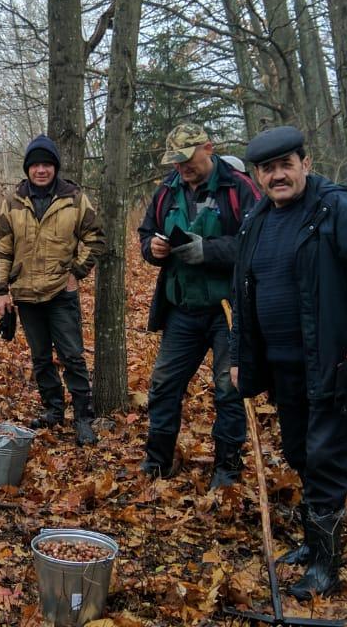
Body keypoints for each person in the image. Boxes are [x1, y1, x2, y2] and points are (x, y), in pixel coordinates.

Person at [229, 125, 347, 599]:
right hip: (283, 367)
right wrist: (243, 355)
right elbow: (242, 294)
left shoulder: (338, 210)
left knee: (324, 460)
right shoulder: (257, 219)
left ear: (306, 163)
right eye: (268, 168)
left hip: (333, 362)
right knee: (301, 453)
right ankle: (312, 542)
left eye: (286, 165)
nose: (278, 175)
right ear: (259, 175)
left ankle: (326, 565)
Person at [136, 124, 261, 488]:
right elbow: (146, 233)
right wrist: (153, 250)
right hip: (182, 311)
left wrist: (207, 250)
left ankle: (227, 469)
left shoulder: (240, 188)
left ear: (209, 148)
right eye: (175, 161)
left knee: (229, 388)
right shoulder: (167, 190)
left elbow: (256, 245)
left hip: (228, 310)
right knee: (163, 385)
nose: (182, 167)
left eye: (188, 159)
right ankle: (157, 461)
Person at [0, 135, 105, 446]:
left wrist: (77, 272)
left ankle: (84, 418)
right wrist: (1, 290)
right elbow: (3, 248)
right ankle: (54, 410)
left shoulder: (73, 198)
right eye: (36, 165)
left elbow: (95, 238)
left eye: (47, 164)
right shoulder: (13, 201)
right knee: (41, 358)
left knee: (72, 357)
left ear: (54, 167)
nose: (41, 170)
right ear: (28, 169)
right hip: (26, 294)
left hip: (60, 292)